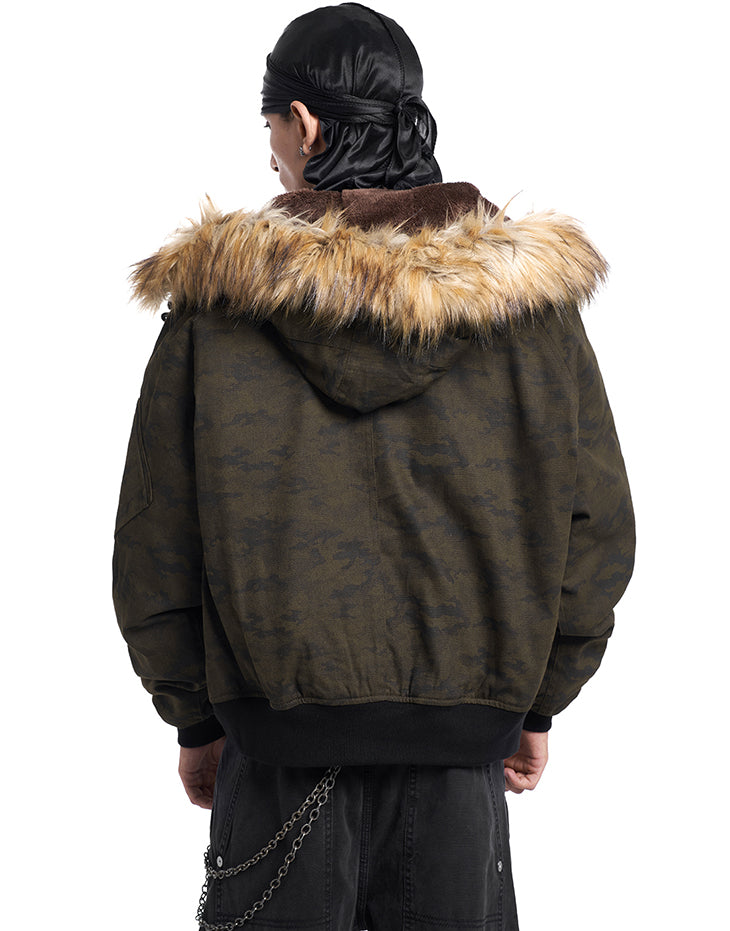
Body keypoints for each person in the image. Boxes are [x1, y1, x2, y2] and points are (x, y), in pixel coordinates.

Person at [113, 3, 635, 929]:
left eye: (270, 129)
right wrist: (535, 703)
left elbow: (158, 534)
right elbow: (593, 528)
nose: (271, 155)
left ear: (304, 123)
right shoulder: (529, 310)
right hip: (461, 759)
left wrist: (194, 715)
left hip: (274, 754)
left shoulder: (217, 311)